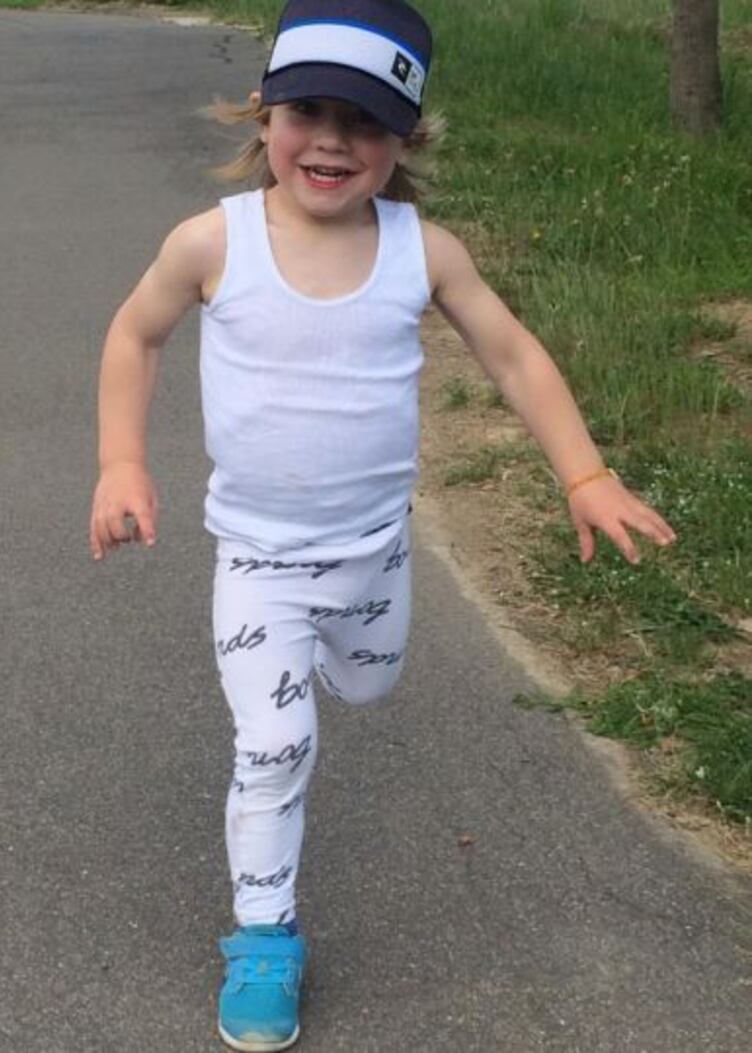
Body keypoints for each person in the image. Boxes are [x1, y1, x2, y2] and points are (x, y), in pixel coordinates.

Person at [89, 0, 677, 1048]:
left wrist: (583, 474)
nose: (330, 141)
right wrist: (121, 462)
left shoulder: (424, 251)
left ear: (406, 137)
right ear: (263, 115)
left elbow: (512, 355)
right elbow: (134, 336)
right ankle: (263, 937)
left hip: (372, 549)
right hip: (259, 558)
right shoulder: (211, 242)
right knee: (275, 745)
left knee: (366, 681)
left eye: (362, 121)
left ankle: (323, 658)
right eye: (307, 113)